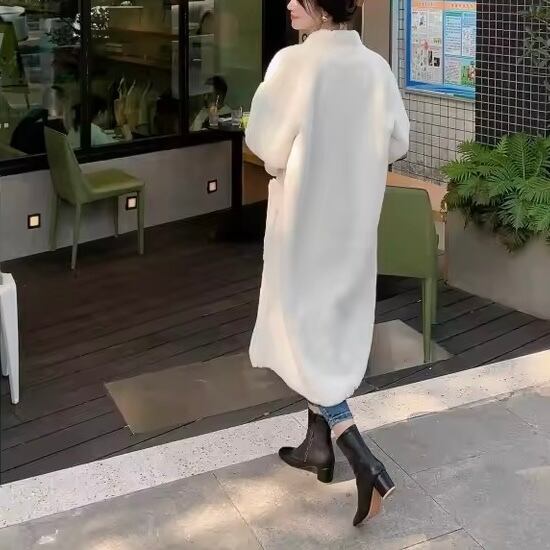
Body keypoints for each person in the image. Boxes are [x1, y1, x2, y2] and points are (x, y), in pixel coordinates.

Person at [245, 0, 409, 526]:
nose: (290, 4)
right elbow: (397, 141)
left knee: (303, 335)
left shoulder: (293, 63)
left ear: (322, 8)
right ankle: (316, 448)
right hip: (353, 223)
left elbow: (266, 143)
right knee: (327, 331)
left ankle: (363, 459)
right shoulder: (375, 67)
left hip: (305, 222)